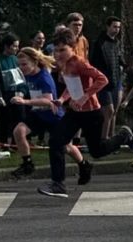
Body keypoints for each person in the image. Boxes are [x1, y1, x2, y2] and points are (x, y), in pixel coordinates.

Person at [38, 32, 133, 198]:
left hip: (91, 113)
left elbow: (102, 79)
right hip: (75, 113)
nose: (58, 54)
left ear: (72, 48)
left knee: (97, 151)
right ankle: (58, 183)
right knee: (56, 141)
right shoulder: (64, 64)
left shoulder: (79, 63)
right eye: (56, 50)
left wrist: (84, 96)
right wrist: (62, 99)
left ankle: (123, 136)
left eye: (62, 50)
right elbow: (71, 85)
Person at [9, 47, 85, 179]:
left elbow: (48, 100)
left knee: (66, 147)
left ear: (34, 62)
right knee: (19, 131)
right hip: (38, 114)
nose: (22, 68)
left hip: (53, 116)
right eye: (20, 65)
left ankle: (83, 165)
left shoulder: (44, 78)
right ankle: (27, 164)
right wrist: (19, 94)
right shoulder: (29, 75)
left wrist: (25, 102)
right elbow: (23, 87)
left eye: (25, 64)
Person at [89, 17, 124, 139]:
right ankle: (103, 138)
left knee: (114, 111)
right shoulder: (99, 42)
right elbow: (93, 62)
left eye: (118, 27)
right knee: (108, 111)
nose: (117, 29)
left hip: (116, 80)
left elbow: (119, 59)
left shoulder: (117, 43)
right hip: (104, 81)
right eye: (114, 26)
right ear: (108, 27)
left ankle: (111, 136)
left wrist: (123, 66)